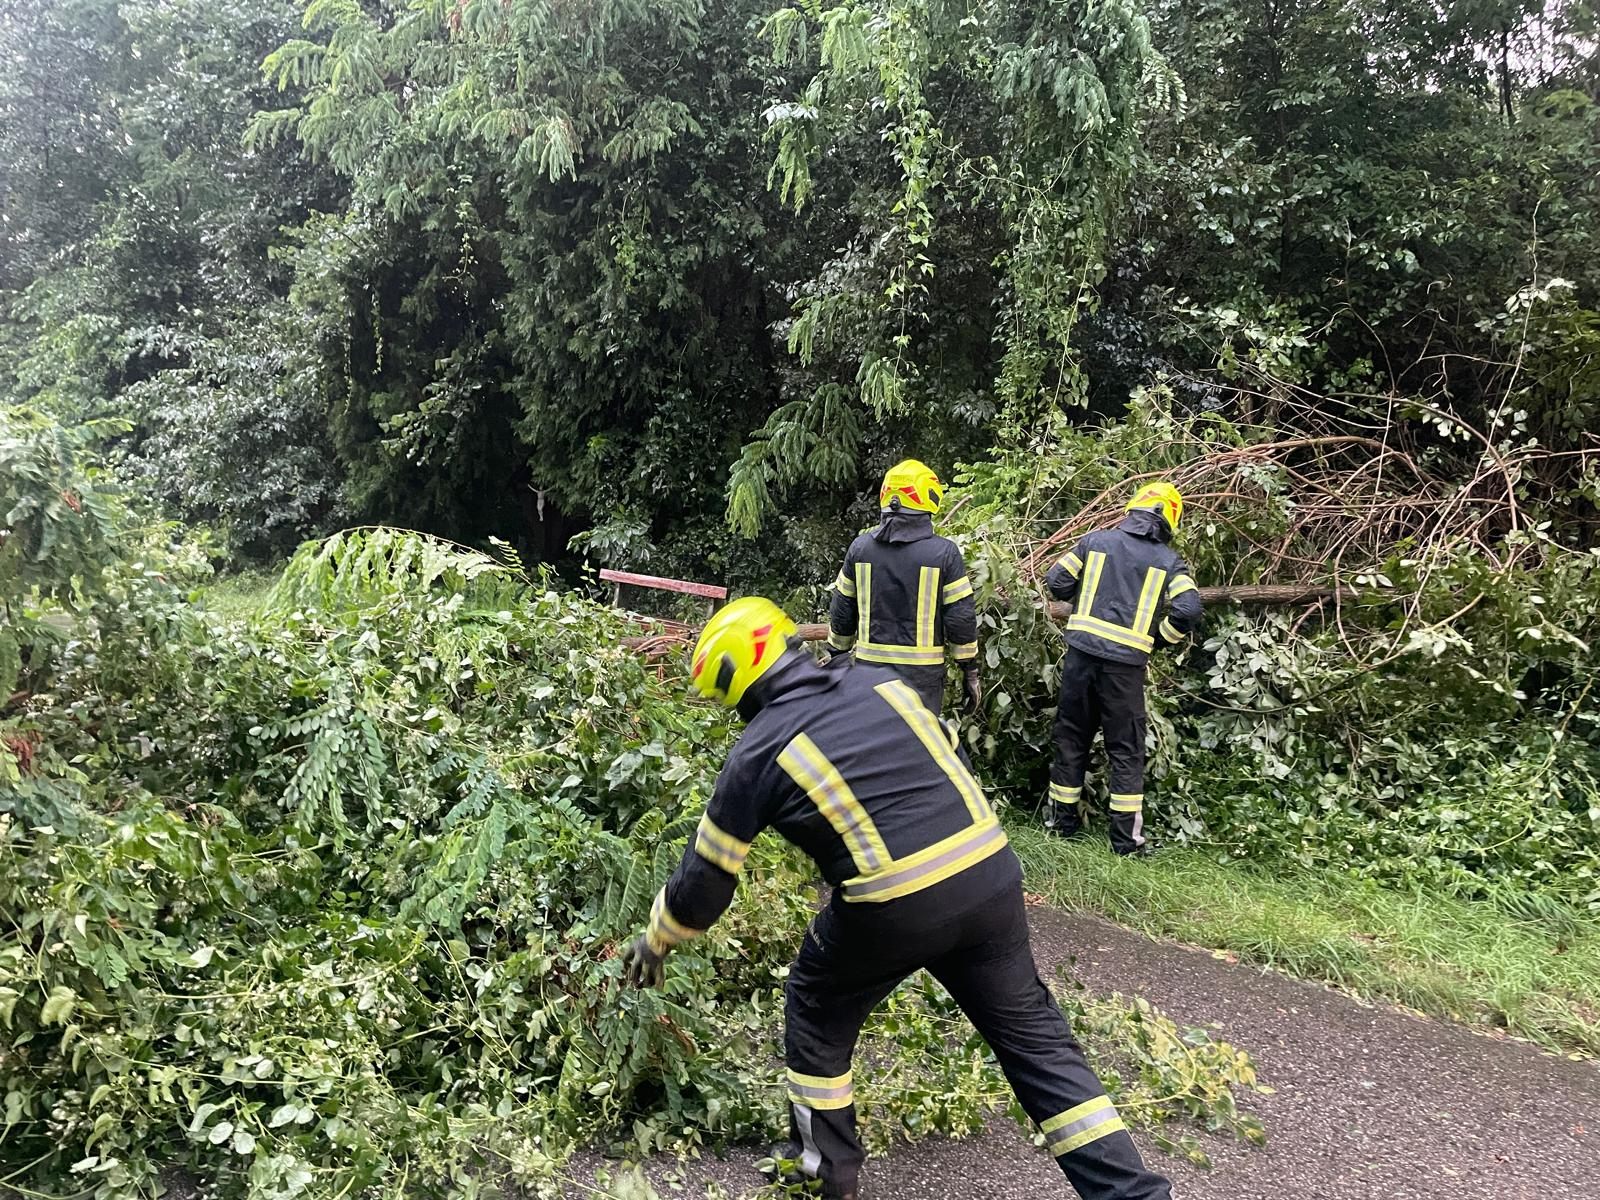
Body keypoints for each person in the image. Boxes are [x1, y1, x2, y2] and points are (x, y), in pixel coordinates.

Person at [621, 597, 1174, 1200]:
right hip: (988, 873)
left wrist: (657, 940)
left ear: (735, 691)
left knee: (815, 1001)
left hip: (892, 902)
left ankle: (824, 1170)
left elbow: (705, 885)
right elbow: (945, 763)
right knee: (1037, 1045)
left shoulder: (755, 753)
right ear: (787, 643)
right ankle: (1134, 1194)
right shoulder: (883, 682)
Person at [1042, 481, 1203, 856]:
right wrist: (1159, 638)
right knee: (1125, 751)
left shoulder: (1094, 541)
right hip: (1125, 670)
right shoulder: (1168, 561)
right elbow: (1189, 610)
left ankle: (1060, 825)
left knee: (1071, 739)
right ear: (1169, 520)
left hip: (1081, 659)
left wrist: (1081, 600)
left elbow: (1056, 581)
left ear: (1133, 511)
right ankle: (1125, 843)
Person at [826, 459, 981, 715]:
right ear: (927, 497)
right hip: (921, 680)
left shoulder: (860, 549)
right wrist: (969, 670)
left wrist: (836, 658)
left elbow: (841, 613)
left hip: (868, 676)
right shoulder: (944, 554)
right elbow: (960, 619)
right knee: (917, 749)